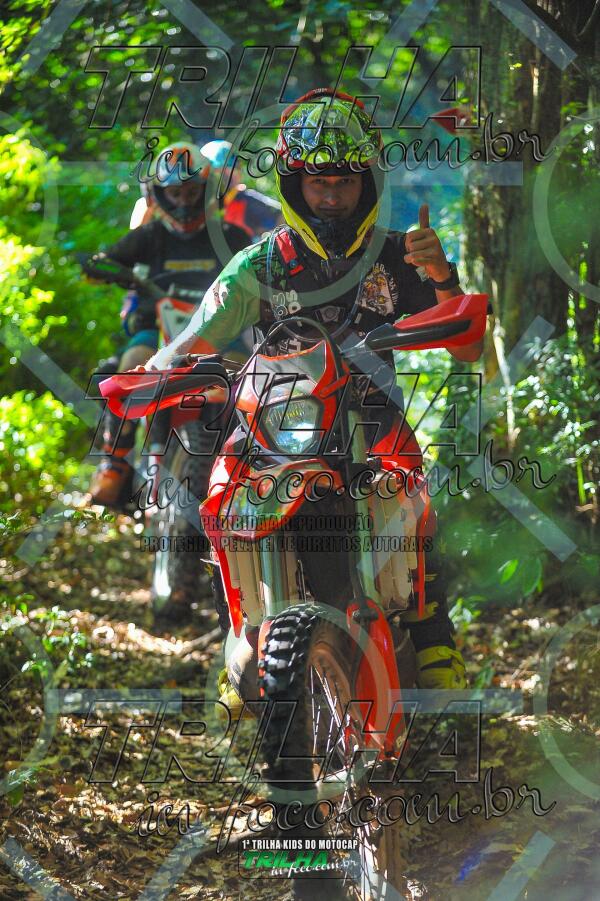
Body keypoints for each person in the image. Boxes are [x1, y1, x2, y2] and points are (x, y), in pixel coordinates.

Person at [139, 89, 484, 694]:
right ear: (293, 185)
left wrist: (441, 276)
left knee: (411, 494)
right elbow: (196, 335)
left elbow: (468, 348)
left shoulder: (400, 255)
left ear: (367, 184)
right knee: (223, 497)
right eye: (317, 182)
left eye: (344, 182)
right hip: (276, 425)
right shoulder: (260, 264)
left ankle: (432, 632)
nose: (330, 196)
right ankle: (239, 630)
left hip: (370, 417)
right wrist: (155, 372)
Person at [87, 141, 250, 508]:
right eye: (175, 192)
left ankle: (251, 462)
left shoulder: (231, 236)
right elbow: (102, 261)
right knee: (132, 364)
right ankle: (114, 464)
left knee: (249, 376)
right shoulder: (149, 236)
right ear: (159, 195)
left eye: (192, 192)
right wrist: (106, 268)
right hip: (155, 328)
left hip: (218, 333)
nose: (183, 201)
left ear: (207, 190)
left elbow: (260, 269)